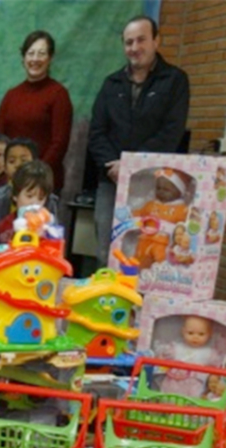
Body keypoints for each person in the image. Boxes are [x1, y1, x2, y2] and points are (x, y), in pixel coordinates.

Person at [89, 15, 190, 266]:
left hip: (154, 186)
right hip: (111, 180)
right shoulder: (111, 83)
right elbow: (97, 132)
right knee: (106, 250)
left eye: (141, 40)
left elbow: (172, 132)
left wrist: (132, 166)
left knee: (148, 251)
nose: (134, 48)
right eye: (128, 42)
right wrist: (115, 166)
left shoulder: (175, 81)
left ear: (156, 40)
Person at [0, 31, 73, 191]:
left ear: (50, 58)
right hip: (9, 181)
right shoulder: (11, 95)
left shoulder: (58, 94)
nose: (35, 59)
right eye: (31, 53)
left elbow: (59, 143)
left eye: (41, 53)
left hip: (42, 182)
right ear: (23, 58)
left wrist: (35, 174)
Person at [132, 167, 189, 269]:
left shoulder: (182, 209)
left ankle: (161, 281)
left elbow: (186, 228)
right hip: (144, 240)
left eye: (166, 189)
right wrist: (127, 215)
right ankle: (137, 278)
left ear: (179, 191)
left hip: (164, 243)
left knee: (161, 263)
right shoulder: (150, 205)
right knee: (139, 261)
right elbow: (138, 214)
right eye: (158, 188)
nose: (161, 192)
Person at [154, 316, 221, 398]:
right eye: (190, 333)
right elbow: (162, 358)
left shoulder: (209, 353)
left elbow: (216, 368)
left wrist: (214, 377)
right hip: (173, 381)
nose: (195, 337)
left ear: (209, 334)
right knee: (168, 397)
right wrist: (160, 359)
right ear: (183, 331)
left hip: (195, 384)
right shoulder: (176, 348)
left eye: (201, 334)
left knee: (193, 400)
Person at [0, 161, 58, 245]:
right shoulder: (4, 226)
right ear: (15, 195)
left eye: (41, 198)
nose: (34, 202)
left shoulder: (49, 228)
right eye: (29, 196)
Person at [0, 138, 40, 222]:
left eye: (24, 161)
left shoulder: (48, 199)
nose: (17, 165)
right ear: (4, 167)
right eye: (12, 161)